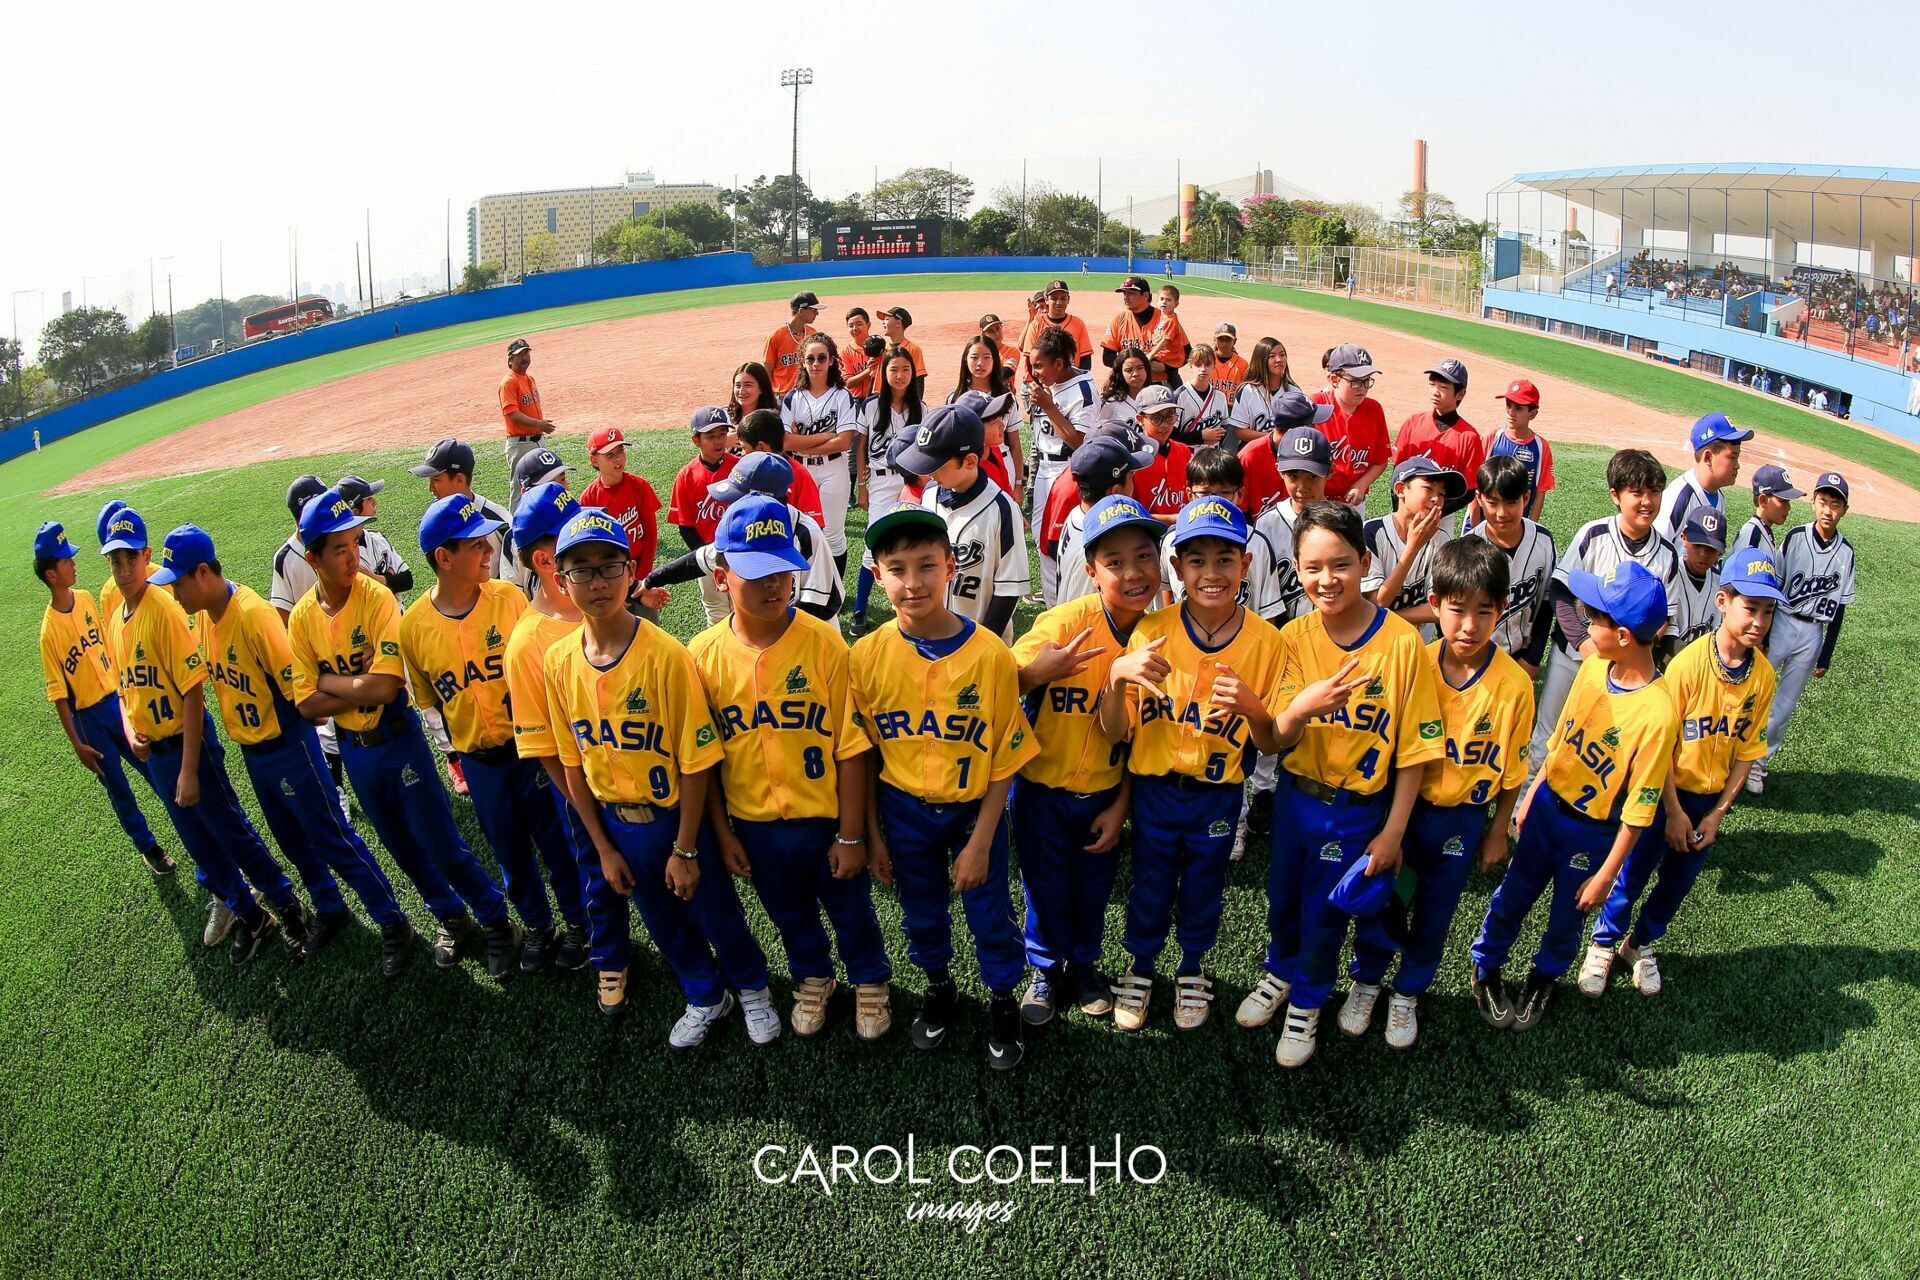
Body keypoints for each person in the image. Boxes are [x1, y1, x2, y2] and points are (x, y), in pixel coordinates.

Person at [542, 510, 778, 1047]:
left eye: (610, 567)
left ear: (632, 573)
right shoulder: (558, 662)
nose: (598, 582)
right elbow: (572, 765)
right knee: (661, 920)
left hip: (676, 818)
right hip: (614, 822)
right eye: (582, 571)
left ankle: (752, 987)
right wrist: (602, 847)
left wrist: (687, 849)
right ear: (561, 580)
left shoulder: (666, 655)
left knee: (717, 911)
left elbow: (697, 762)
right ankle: (704, 994)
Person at [1236, 502, 1444, 1068]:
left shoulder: (1401, 643)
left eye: (1341, 565)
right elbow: (1273, 740)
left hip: (1356, 810)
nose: (1326, 580)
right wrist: (1301, 708)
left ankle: (1307, 1000)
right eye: (1312, 568)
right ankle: (1280, 971)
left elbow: (1416, 751)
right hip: (1295, 798)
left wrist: (1394, 831)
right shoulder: (1294, 636)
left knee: (1327, 913)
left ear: (1366, 561)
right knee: (1283, 900)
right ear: (1297, 571)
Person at [154, 523, 415, 974]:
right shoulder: (200, 618)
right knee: (293, 841)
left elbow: (300, 694)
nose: (173, 592)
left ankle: (392, 921)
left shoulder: (253, 615)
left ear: (201, 573)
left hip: (289, 746)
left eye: (176, 582)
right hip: (254, 753)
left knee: (332, 836)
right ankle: (329, 907)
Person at [285, 488, 520, 979]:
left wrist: (329, 681)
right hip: (355, 750)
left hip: (398, 738)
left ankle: (497, 920)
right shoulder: (304, 616)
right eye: (340, 549)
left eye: (355, 543)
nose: (354, 557)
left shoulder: (376, 597)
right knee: (400, 846)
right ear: (313, 558)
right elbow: (306, 704)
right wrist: (351, 686)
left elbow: (387, 684)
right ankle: (450, 917)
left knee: (439, 841)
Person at [689, 495, 892, 1040]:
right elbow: (703, 760)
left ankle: (870, 978)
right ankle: (813, 975)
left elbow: (852, 749)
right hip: (754, 824)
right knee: (788, 912)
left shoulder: (824, 641)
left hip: (823, 818)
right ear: (721, 572)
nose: (774, 585)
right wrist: (721, 831)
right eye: (756, 573)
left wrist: (852, 835)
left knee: (850, 908)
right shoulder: (702, 654)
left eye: (782, 569)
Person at [850, 502, 1040, 1068]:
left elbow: (1006, 760)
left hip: (973, 811)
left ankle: (1002, 998)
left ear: (951, 566)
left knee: (988, 912)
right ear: (878, 575)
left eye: (927, 565)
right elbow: (860, 753)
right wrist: (873, 837)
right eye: (898, 568)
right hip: (902, 809)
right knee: (921, 912)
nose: (914, 583)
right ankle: (939, 987)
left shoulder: (990, 653)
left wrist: (982, 842)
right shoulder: (866, 656)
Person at [1097, 497, 1288, 1032]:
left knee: (1205, 884)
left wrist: (1253, 707)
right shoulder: (1149, 632)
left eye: (1225, 559)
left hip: (1218, 794)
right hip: (1155, 790)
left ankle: (1192, 969)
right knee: (1150, 883)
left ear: (1246, 565)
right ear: (1176, 567)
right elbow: (1117, 731)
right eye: (1196, 560)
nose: (1211, 573)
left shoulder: (1268, 643)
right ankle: (1139, 967)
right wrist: (1115, 677)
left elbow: (1271, 744)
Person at [1338, 538, 1534, 1049]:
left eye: (1483, 612)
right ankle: (1366, 981)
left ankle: (1407, 992)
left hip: (1463, 822)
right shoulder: (1414, 663)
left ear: (1502, 609)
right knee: (1386, 898)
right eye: (1457, 609)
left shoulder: (1514, 685)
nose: (1469, 625)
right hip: (1404, 813)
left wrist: (1497, 830)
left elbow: (1513, 770)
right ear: (1435, 603)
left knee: (1435, 911)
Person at [1470, 562, 1677, 1032]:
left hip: (1592, 832)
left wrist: (1608, 874)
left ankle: (1544, 977)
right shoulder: (1593, 666)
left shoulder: (1658, 712)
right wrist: (1531, 794)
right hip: (1547, 809)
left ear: (1624, 635)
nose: (1584, 620)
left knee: (1568, 914)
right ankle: (1486, 965)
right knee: (1515, 893)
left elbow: (1639, 811)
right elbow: (1562, 737)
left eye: (1595, 616)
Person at [100, 507, 309, 964]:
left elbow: (192, 691)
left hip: (186, 745)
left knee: (230, 830)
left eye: (130, 557)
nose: (123, 568)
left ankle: (286, 903)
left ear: (146, 555)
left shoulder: (163, 610)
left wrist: (190, 769)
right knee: (197, 842)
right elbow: (120, 687)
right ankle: (249, 914)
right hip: (155, 752)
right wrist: (129, 726)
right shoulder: (116, 619)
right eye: (114, 560)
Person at [1582, 549, 1782, 999]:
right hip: (1661, 794)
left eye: (1768, 612)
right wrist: (1672, 811)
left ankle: (1642, 943)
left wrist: (1716, 815)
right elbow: (1661, 746)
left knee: (1676, 884)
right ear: (1722, 602)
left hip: (1707, 803)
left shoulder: (1763, 677)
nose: (1759, 621)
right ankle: (1603, 942)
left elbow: (1748, 750)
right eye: (1750, 608)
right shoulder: (1689, 664)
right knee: (1633, 872)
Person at [401, 495, 587, 975]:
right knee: (510, 852)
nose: (489, 548)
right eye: (475, 543)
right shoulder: (414, 627)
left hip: (531, 751)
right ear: (444, 558)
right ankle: (537, 926)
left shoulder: (508, 598)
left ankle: (578, 923)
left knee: (557, 841)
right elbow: (428, 699)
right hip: (479, 761)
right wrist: (452, 755)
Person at [1009, 494, 1163, 1025]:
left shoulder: (1162, 635)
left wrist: (1121, 804)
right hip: (1040, 788)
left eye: (1144, 556)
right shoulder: (1064, 622)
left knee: (1093, 887)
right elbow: (1000, 679)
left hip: (1103, 791)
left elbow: (1140, 741)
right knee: (1043, 884)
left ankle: (1084, 966)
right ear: (1092, 571)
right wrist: (1034, 674)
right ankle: (1045, 968)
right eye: (1114, 562)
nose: (1133, 572)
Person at [501, 484, 605, 1005]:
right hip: (586, 794)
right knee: (597, 877)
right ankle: (607, 951)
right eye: (575, 551)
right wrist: (587, 809)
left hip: (634, 773)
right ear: (546, 561)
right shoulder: (527, 644)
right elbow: (543, 745)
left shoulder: (593, 605)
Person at [1525, 449, 1678, 778]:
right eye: (1636, 492)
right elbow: (1561, 591)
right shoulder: (1593, 534)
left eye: (1654, 492)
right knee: (1547, 735)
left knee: (1599, 745)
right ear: (1615, 496)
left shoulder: (1667, 554)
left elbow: (1667, 619)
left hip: (1622, 672)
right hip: (1573, 656)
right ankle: (1522, 809)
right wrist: (1582, 641)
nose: (1647, 501)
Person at [34, 520, 170, 877]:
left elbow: (108, 647)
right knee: (119, 788)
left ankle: (184, 820)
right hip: (88, 719)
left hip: (116, 702)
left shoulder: (84, 599)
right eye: (66, 561)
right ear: (51, 574)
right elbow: (59, 694)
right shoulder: (49, 632)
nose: (73, 563)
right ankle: (149, 847)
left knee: (151, 766)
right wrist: (77, 743)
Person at [1752, 472, 1854, 795]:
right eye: (1822, 502)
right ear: (1813, 502)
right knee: (1755, 690)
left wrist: (1827, 653)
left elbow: (1839, 610)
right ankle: (1732, 753)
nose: (1827, 510)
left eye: (1834, 504)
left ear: (1844, 510)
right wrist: (1765, 633)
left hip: (1813, 633)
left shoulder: (1847, 553)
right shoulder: (1795, 537)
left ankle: (1758, 765)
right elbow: (1772, 587)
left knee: (1785, 704)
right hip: (1782, 621)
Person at [647, 453, 840, 624]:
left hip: (811, 641)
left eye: (737, 495)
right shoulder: (747, 524)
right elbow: (699, 560)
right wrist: (650, 581)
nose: (730, 502)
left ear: (761, 499)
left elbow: (819, 608)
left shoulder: (806, 534)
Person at [896, 403, 1030, 644]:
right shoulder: (929, 494)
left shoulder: (1002, 509)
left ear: (969, 461)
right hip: (929, 637)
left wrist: (981, 646)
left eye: (937, 466)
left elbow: (1008, 591)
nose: (930, 473)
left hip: (981, 640)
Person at [853, 347, 925, 634]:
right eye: (894, 369)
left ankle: (914, 601)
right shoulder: (871, 406)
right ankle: (860, 607)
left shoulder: (921, 407)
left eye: (905, 370)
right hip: (881, 480)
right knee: (874, 542)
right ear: (884, 373)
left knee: (916, 539)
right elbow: (860, 445)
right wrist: (861, 484)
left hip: (911, 480)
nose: (900, 375)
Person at [1464, 456, 1557, 676]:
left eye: (1511, 502)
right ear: (1479, 498)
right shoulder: (1468, 546)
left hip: (1520, 654)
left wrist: (1533, 657)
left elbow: (1546, 603)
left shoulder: (1543, 540)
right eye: (1493, 502)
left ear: (1526, 498)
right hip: (1476, 655)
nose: (1502, 513)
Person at [782, 332, 862, 578]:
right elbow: (785, 441)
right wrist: (827, 435)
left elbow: (845, 441)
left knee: (833, 534)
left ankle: (835, 589)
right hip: (800, 471)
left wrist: (802, 445)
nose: (815, 364)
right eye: (810, 359)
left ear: (831, 361)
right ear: (803, 362)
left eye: (821, 358)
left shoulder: (841, 396)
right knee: (800, 530)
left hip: (833, 470)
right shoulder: (793, 397)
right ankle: (806, 585)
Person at [1025, 328, 1102, 582]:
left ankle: (1064, 597)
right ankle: (1052, 599)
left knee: (1062, 539)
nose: (1034, 372)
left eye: (1039, 366)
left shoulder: (1082, 390)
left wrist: (1047, 405)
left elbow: (1078, 441)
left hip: (1068, 470)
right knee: (1041, 536)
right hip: (1044, 471)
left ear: (1059, 363)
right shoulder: (1050, 384)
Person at [1363, 457, 1465, 637]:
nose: (1437, 499)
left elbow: (1441, 607)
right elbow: (1377, 603)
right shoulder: (1372, 533)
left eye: (1442, 494)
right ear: (1401, 489)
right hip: (1374, 646)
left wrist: (1390, 618)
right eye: (1428, 488)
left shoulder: (1441, 539)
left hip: (1417, 646)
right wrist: (1412, 549)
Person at [1052, 433, 1154, 606]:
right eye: (1131, 477)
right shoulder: (1092, 546)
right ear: (1115, 492)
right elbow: (1084, 614)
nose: (1133, 482)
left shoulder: (1078, 514)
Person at [665, 406, 742, 629]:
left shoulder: (739, 468)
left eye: (721, 434)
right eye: (710, 436)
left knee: (744, 607)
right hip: (707, 555)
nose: (718, 441)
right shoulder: (686, 476)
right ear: (696, 440)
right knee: (716, 611)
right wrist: (709, 557)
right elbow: (685, 526)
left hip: (740, 552)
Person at [408, 438, 520, 589]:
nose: (430, 488)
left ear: (459, 479)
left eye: (436, 480)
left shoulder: (498, 519)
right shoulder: (437, 518)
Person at [1391, 360, 1484, 515]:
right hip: (1407, 509)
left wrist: (1436, 514)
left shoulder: (1469, 437)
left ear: (1460, 394)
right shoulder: (1413, 423)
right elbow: (1397, 472)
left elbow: (1469, 490)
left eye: (1443, 387)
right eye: (1432, 384)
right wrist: (1399, 510)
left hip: (1442, 515)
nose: (1435, 391)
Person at [1315, 344, 1393, 512]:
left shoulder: (1374, 410)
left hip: (1353, 503)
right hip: (1316, 500)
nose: (1363, 388)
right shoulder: (1315, 406)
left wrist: (1362, 484)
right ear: (1334, 380)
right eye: (1356, 381)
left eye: (1367, 381)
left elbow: (1380, 461)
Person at [1237, 388, 1334, 519]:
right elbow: (1238, 511)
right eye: (1312, 424)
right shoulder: (1249, 457)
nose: (1316, 429)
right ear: (1295, 431)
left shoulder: (1314, 450)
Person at [1656, 412, 1752, 541]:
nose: (1737, 465)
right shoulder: (1681, 497)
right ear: (1708, 457)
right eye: (1732, 457)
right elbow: (1655, 549)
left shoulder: (1719, 498)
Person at [953, 335, 1026, 499]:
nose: (980, 363)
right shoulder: (956, 398)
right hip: (969, 467)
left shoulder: (1006, 397)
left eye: (987, 357)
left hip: (1003, 465)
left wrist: (1019, 483)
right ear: (966, 360)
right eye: (974, 357)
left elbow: (1015, 444)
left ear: (995, 361)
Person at [1472, 379, 1554, 525]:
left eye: (1518, 408)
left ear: (1532, 414)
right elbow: (1474, 482)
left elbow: (1540, 492)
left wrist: (1531, 526)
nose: (1511, 412)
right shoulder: (1491, 437)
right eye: (1508, 405)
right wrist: (1474, 523)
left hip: (1516, 524)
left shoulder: (1541, 447)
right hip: (1483, 521)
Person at [499, 338, 556, 505]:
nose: (525, 358)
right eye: (519, 355)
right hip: (520, 444)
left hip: (538, 440)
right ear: (510, 359)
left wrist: (540, 429)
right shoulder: (509, 382)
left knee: (546, 480)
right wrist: (540, 424)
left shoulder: (529, 379)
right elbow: (512, 414)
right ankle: (515, 529)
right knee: (519, 489)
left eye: (526, 353)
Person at [333, 475, 412, 595]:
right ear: (354, 512)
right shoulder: (342, 557)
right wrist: (389, 579)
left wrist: (371, 578)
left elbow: (407, 580)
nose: (375, 502)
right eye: (369, 499)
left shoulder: (377, 538)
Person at [1666, 508, 1727, 657]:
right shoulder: (1668, 575)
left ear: (1721, 551)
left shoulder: (1721, 584)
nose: (1703, 554)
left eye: (1711, 549)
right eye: (1698, 545)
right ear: (1684, 538)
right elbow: (1666, 635)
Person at [1131, 386, 1190, 519]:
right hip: (1146, 534)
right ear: (1140, 419)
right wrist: (1173, 519)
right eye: (1156, 418)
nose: (1164, 425)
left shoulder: (1183, 451)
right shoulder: (1132, 457)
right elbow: (1129, 514)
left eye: (1170, 417)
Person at [1229, 337, 1300, 444]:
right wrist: (1272, 438)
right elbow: (1239, 431)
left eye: (1282, 354)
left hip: (1284, 455)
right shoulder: (1248, 390)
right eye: (1272, 356)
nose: (1279, 359)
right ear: (1261, 360)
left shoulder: (1294, 391)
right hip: (1255, 453)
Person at [1018, 280, 1093, 379]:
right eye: (1054, 298)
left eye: (1063, 298)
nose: (1059, 302)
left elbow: (1086, 360)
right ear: (1046, 299)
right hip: (1043, 383)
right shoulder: (1036, 325)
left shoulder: (1078, 324)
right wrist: (1045, 388)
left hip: (1072, 382)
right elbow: (1029, 362)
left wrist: (1073, 383)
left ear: (1068, 299)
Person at [1736, 464, 1805, 560]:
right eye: (1783, 501)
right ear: (1763, 501)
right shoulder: (1752, 535)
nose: (1788, 507)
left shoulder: (1763, 530)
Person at [763, 291, 819, 396]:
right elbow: (767, 371)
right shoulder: (775, 337)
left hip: (807, 393)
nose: (817, 313)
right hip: (782, 396)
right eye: (814, 310)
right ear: (801, 311)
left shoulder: (813, 334)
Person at [1174, 346, 1231, 448]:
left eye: (1208, 364)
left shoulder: (1220, 396)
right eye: (1198, 364)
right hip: (1187, 456)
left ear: (1214, 365)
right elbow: (1172, 436)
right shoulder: (1179, 396)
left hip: (1213, 457)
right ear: (1190, 365)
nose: (1203, 369)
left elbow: (1224, 428)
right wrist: (1201, 435)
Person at [873, 306, 928, 392]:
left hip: (903, 398)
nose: (883, 322)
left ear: (898, 323)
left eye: (886, 319)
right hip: (881, 398)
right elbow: (874, 379)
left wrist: (916, 403)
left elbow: (919, 379)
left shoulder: (913, 349)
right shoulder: (881, 349)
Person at [1100, 345, 1152, 423]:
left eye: (1140, 368)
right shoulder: (1112, 403)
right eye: (1129, 370)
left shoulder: (1156, 398)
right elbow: (1098, 431)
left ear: (1146, 369)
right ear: (1120, 373)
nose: (1135, 374)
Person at [840, 307, 881, 398]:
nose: (854, 328)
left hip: (880, 398)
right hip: (856, 401)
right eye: (851, 326)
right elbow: (848, 383)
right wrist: (869, 370)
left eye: (859, 324)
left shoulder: (880, 346)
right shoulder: (845, 352)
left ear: (868, 325)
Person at [727, 361, 778, 425]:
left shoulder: (775, 419)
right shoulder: (725, 417)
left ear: (762, 388)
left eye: (748, 385)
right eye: (738, 386)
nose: (741, 391)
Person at [1210, 325, 1249, 402]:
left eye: (1228, 339)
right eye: (1221, 339)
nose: (1224, 343)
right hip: (1210, 406)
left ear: (1234, 341)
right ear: (1215, 340)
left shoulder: (1242, 364)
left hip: (1233, 408)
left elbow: (1247, 390)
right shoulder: (1207, 361)